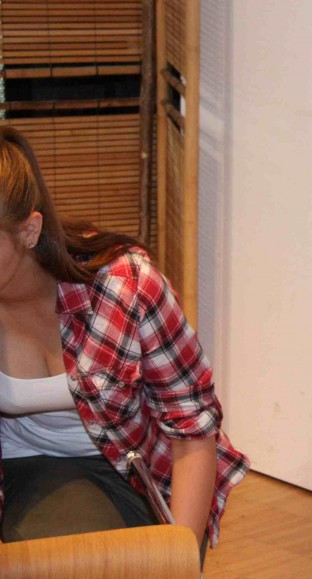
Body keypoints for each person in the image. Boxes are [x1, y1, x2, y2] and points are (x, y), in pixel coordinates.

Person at [0, 126, 248, 561]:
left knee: (137, 563)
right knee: (65, 558)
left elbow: (193, 430)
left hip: (140, 467)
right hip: (28, 464)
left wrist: (178, 559)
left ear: (29, 230)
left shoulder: (125, 285)